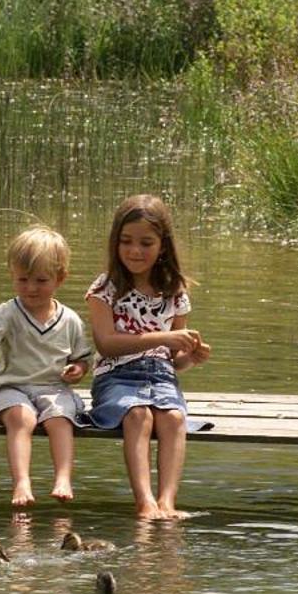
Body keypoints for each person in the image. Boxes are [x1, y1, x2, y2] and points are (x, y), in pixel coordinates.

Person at [0, 225, 96, 507]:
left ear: (60, 278)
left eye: (41, 280)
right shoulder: (8, 313)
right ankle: (21, 482)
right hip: (10, 387)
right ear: (12, 276)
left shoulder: (70, 320)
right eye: (23, 279)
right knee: (22, 417)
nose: (31, 288)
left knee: (61, 417)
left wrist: (77, 370)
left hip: (53, 387)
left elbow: (81, 359)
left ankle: (63, 478)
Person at [84, 194, 210, 519]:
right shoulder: (105, 289)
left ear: (162, 246)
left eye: (145, 243)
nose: (135, 251)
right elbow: (106, 343)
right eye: (126, 241)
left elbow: (174, 358)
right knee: (138, 415)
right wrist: (165, 336)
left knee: (173, 418)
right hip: (116, 376)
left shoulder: (175, 290)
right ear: (115, 243)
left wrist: (189, 357)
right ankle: (144, 502)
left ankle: (167, 502)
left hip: (162, 376)